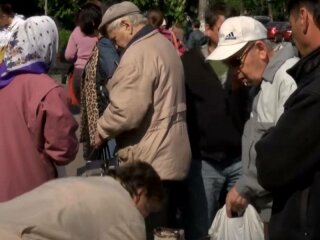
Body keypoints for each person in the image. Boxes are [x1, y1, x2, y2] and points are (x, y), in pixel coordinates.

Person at [96, 0, 191, 235]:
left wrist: (99, 131)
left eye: (114, 37)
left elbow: (125, 111)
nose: (115, 44)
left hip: (151, 160)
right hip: (170, 155)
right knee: (167, 231)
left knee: (149, 230)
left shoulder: (138, 54)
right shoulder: (162, 43)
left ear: (127, 25)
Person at [208, 16, 299, 237]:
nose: (234, 72)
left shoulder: (286, 79)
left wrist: (245, 187)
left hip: (282, 211)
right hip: (266, 209)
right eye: (227, 64)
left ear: (260, 49)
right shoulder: (263, 82)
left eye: (236, 62)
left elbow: (286, 150)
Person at [181, 5, 249, 239]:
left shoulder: (242, 61)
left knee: (239, 227)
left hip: (238, 159)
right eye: (223, 28)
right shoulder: (189, 63)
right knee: (202, 227)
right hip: (204, 163)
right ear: (208, 29)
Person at [255, 0, 320, 239]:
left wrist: (269, 137)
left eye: (291, 20)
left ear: (303, 17)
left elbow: (270, 164)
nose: (289, 31)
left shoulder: (314, 94)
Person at [0, 16, 79, 202]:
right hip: (33, 195)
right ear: (47, 45)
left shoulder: (3, 81)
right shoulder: (47, 89)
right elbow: (63, 150)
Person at [0, 161, 165, 240]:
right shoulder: (128, 216)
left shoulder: (93, 184)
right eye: (148, 210)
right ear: (140, 193)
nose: (144, 217)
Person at [64, 3, 101, 104]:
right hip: (97, 72)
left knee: (82, 107)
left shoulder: (77, 31)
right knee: (96, 106)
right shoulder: (101, 33)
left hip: (79, 73)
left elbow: (68, 55)